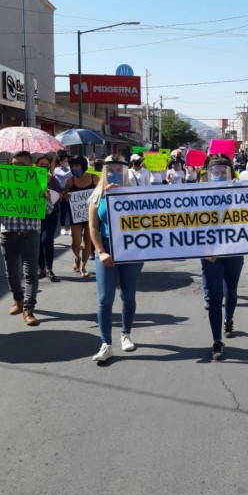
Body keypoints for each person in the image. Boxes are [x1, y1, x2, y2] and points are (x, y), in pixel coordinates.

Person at [87, 155, 144, 362]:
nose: (115, 172)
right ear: (104, 171)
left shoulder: (135, 193)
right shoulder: (96, 195)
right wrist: (101, 252)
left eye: (119, 169)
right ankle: (105, 343)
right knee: (105, 298)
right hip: (107, 249)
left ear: (126, 171)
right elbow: (93, 227)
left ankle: (126, 334)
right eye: (111, 169)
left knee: (128, 295)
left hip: (131, 250)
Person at [0, 150, 50, 327]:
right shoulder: (3, 182)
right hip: (8, 234)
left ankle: (29, 310)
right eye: (13, 165)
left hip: (29, 235)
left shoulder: (38, 183)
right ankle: (18, 300)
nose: (15, 168)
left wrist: (45, 199)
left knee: (30, 274)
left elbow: (48, 211)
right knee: (11, 272)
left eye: (20, 165)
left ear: (29, 166)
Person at [200, 154, 244, 360]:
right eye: (215, 172)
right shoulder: (196, 193)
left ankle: (229, 319)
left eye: (223, 172)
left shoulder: (240, 190)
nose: (219, 175)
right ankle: (217, 340)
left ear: (230, 172)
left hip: (234, 251)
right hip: (211, 254)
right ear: (208, 174)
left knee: (231, 292)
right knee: (216, 298)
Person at [64, 155, 100, 277]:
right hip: (76, 216)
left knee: (87, 242)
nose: (75, 168)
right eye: (73, 166)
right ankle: (77, 257)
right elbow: (64, 195)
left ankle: (83, 267)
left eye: (77, 165)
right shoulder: (70, 180)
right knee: (76, 242)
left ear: (83, 166)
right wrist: (66, 196)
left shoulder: (94, 178)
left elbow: (102, 191)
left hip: (91, 215)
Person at [36, 155, 62, 282]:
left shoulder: (53, 180)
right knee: (37, 242)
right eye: (42, 164)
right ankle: (41, 268)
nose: (44, 166)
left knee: (46, 240)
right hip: (35, 215)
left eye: (47, 164)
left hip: (51, 215)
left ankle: (49, 269)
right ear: (36, 165)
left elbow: (59, 195)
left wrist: (51, 196)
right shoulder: (31, 179)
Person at [53, 153, 72, 236]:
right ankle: (63, 227)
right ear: (60, 161)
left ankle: (71, 227)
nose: (67, 162)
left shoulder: (66, 168)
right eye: (65, 161)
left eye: (67, 161)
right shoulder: (57, 169)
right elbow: (65, 175)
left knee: (70, 210)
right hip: (61, 191)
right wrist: (72, 169)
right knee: (63, 210)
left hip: (68, 190)